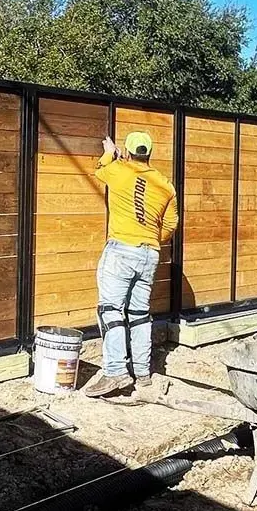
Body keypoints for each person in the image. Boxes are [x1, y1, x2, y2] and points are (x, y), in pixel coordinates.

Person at [83, 131, 178, 398]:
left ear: (128, 150)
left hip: (121, 251)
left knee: (111, 311)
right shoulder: (166, 186)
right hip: (149, 253)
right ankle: (143, 374)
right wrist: (148, 238)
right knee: (139, 314)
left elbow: (100, 169)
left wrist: (109, 152)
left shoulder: (119, 171)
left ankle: (115, 372)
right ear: (149, 153)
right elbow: (171, 224)